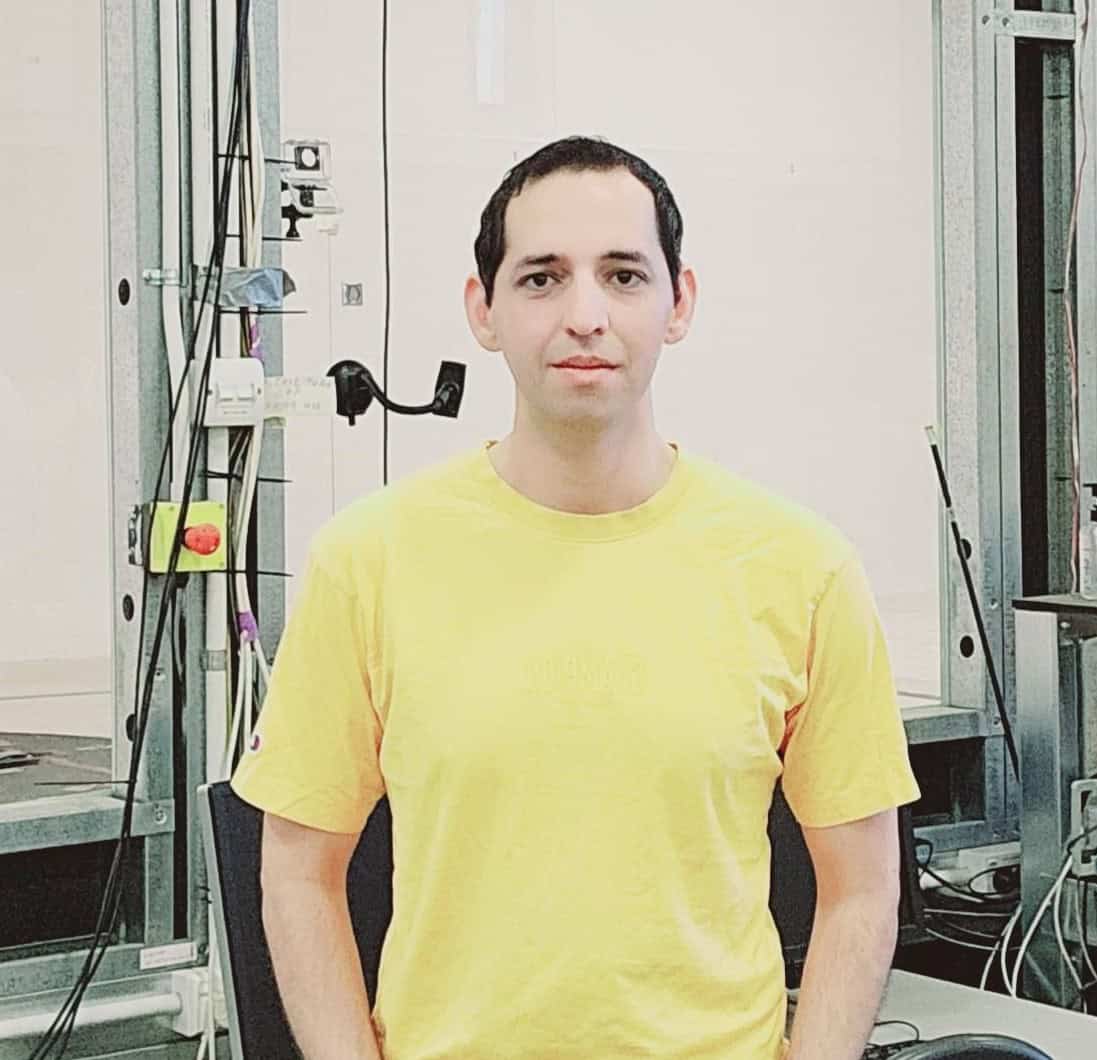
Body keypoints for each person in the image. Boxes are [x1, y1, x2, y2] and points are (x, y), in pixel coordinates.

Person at [231, 135, 921, 1060]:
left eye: (625, 275)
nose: (586, 314)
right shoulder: (367, 561)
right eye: (543, 277)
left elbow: (863, 887)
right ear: (484, 310)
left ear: (679, 303)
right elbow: (298, 871)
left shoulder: (801, 568)